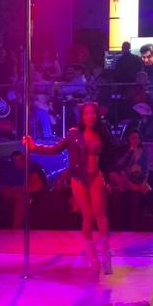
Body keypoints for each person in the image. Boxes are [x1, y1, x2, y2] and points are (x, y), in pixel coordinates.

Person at [23, 101, 116, 274]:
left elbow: (111, 156)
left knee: (99, 214)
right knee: (87, 216)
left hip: (95, 176)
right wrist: (34, 147)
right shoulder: (74, 133)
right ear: (82, 116)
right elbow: (55, 149)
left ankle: (106, 255)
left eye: (93, 113)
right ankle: (92, 259)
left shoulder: (102, 132)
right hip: (78, 178)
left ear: (97, 115)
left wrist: (111, 177)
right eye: (87, 113)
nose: (90, 116)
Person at [111, 129, 151, 228]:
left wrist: (144, 181)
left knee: (139, 197)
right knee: (125, 199)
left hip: (139, 180)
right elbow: (119, 164)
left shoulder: (144, 153)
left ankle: (135, 225)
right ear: (129, 139)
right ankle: (124, 226)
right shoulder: (126, 152)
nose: (135, 140)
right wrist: (130, 151)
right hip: (126, 181)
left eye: (137, 138)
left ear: (140, 139)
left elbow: (146, 170)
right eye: (132, 138)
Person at [0, 149, 46, 229]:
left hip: (25, 193)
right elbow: (3, 188)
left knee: (22, 197)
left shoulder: (30, 168)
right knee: (20, 196)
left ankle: (17, 227)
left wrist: (24, 188)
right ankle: (16, 227)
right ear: (12, 161)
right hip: (11, 192)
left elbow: (38, 185)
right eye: (16, 160)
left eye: (20, 160)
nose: (18, 162)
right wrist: (16, 189)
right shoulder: (9, 170)